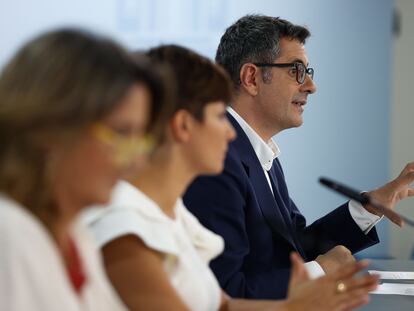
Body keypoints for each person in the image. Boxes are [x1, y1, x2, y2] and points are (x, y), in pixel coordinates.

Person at [83, 44, 378, 311]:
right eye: (217, 116)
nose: (228, 131)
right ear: (183, 125)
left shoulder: (173, 215)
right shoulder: (127, 228)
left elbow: (223, 304)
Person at [183, 14, 414, 299]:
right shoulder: (216, 161)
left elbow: (297, 244)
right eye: (296, 71)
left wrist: (371, 206)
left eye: (308, 72)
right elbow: (224, 293)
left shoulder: (257, 151)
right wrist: (318, 271)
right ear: (252, 78)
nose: (310, 86)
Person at [0, 28, 169, 310]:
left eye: (139, 138)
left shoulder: (75, 236)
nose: (136, 162)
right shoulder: (9, 234)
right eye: (121, 134)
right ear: (50, 127)